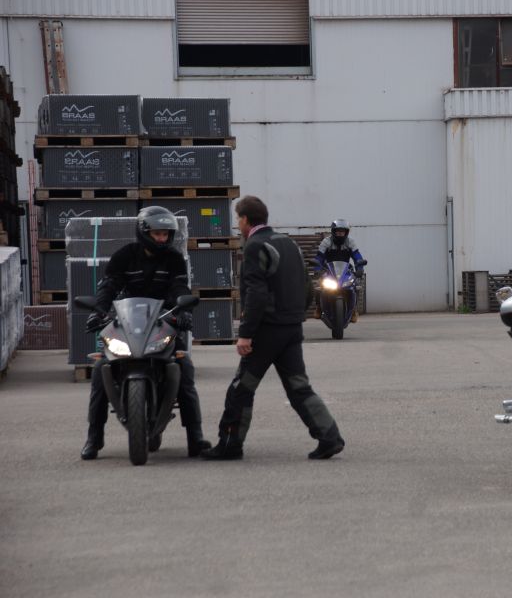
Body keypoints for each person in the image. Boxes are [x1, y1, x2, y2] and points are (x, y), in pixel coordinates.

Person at [201, 196, 345, 461]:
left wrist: (245, 334)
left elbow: (255, 294)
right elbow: (307, 286)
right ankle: (330, 438)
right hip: (291, 328)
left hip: (267, 331)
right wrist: (295, 315)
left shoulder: (255, 246)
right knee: (299, 387)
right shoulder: (289, 244)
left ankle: (230, 445)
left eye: (238, 219)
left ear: (245, 219)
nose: (238, 224)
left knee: (241, 389)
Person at [80, 206, 211, 460]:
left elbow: (179, 286)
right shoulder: (124, 256)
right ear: (144, 232)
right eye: (157, 234)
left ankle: (195, 437)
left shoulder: (174, 259)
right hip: (127, 323)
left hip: (164, 321)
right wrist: (99, 311)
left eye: (166, 234)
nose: (162, 238)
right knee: (100, 370)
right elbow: (109, 286)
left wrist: (183, 310)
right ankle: (94, 438)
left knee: (184, 368)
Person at [314, 219, 366, 322]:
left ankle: (354, 310)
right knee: (319, 284)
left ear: (346, 232)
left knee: (355, 285)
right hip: (329, 271)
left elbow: (357, 257)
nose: (340, 233)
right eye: (338, 231)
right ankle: (319, 307)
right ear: (333, 231)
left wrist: (359, 269)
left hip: (345, 271)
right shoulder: (326, 242)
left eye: (343, 231)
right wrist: (317, 269)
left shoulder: (350, 242)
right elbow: (319, 257)